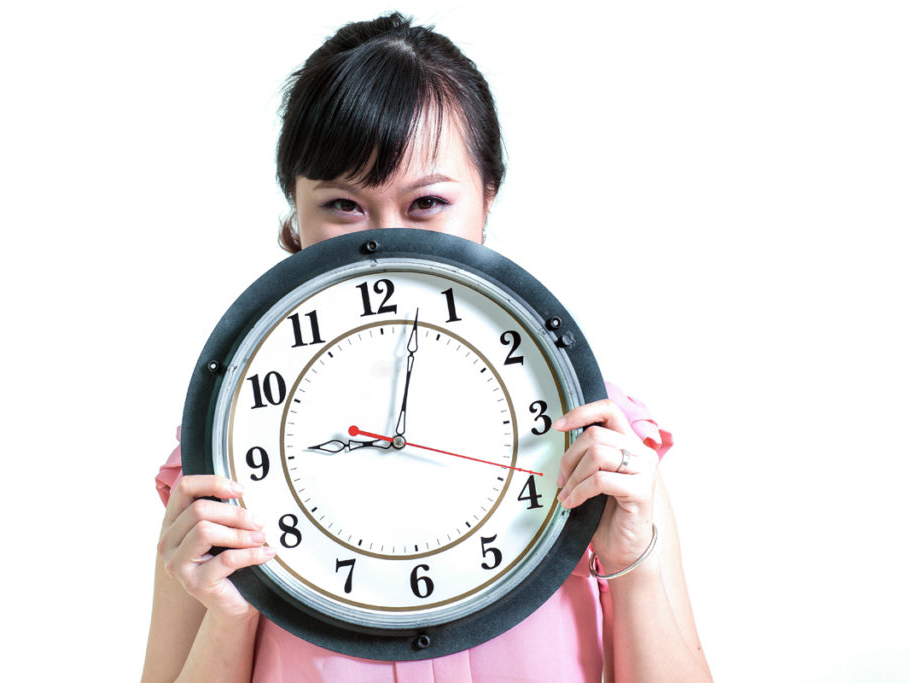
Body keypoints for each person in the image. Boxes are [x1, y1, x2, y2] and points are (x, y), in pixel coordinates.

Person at [142, 13, 711, 682]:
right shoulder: (224, 455)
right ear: (295, 214)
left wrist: (633, 559)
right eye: (344, 206)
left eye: (427, 203)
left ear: (486, 199)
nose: (386, 241)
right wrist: (230, 614)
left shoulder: (600, 438)